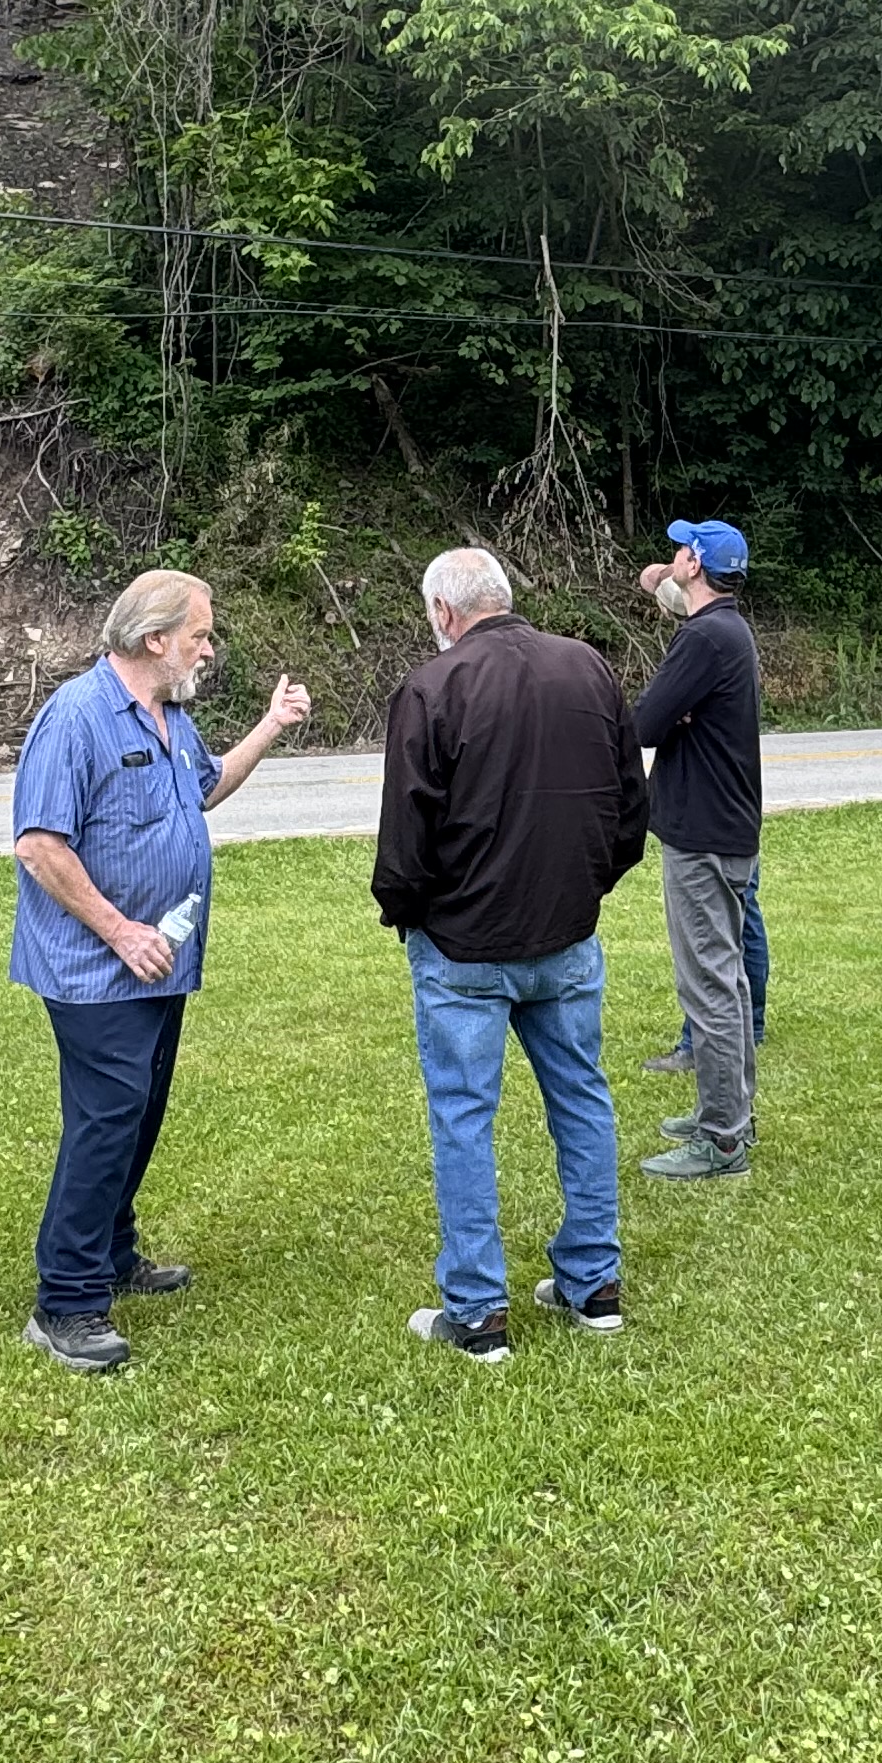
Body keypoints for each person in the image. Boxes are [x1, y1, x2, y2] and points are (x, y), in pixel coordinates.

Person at [7, 570, 311, 1375]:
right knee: (107, 1119)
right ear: (155, 639)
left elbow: (205, 789)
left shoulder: (171, 716)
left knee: (136, 1116)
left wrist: (271, 725)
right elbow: (39, 845)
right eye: (200, 635)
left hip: (159, 963)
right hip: (96, 968)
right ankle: (66, 1302)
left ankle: (112, 1252)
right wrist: (119, 931)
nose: (209, 649)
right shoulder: (76, 717)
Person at [373, 546, 652, 1361]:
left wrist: (409, 914)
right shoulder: (588, 668)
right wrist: (587, 887)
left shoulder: (433, 686)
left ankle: (478, 1309)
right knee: (582, 1099)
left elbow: (405, 837)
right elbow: (630, 808)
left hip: (466, 944)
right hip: (562, 934)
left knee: (465, 1118)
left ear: (444, 612)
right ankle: (594, 1281)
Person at [630, 517, 764, 1180]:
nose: (674, 554)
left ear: (696, 565)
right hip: (726, 829)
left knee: (709, 985)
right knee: (727, 982)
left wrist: (670, 712)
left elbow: (643, 723)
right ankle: (732, 1111)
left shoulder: (705, 638)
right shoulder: (728, 629)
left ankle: (722, 1140)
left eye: (682, 549)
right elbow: (667, 715)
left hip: (703, 835)